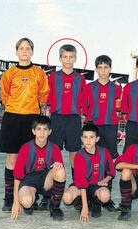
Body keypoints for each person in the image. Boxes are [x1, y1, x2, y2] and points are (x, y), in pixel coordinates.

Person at [0, 37, 50, 212]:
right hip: (12, 118)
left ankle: (30, 195)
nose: (25, 51)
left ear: (32, 52)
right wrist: (16, 107)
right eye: (21, 48)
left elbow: (44, 94)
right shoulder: (9, 73)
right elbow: (5, 95)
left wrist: (33, 109)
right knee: (12, 159)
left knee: (30, 159)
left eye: (28, 48)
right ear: (17, 51)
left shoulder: (39, 72)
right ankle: (8, 198)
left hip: (32, 119)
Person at [83, 55, 122, 212]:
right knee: (92, 162)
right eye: (100, 67)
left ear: (111, 69)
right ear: (96, 69)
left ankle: (107, 199)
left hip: (110, 128)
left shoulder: (117, 89)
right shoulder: (89, 87)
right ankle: (93, 199)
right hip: (93, 127)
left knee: (108, 162)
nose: (103, 70)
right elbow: (84, 109)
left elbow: (120, 109)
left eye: (106, 67)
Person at [11, 116, 66, 221]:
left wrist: (57, 166)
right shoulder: (25, 148)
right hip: (29, 180)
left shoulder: (54, 148)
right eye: (39, 129)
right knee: (26, 202)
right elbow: (17, 177)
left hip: (46, 180)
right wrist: (16, 202)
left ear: (50, 132)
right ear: (33, 131)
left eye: (45, 129)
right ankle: (32, 199)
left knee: (60, 171)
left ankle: (55, 207)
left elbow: (60, 171)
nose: (42, 133)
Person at [47, 44, 86, 183]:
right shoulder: (53, 77)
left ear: (75, 58)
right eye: (65, 57)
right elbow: (49, 97)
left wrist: (83, 115)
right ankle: (49, 191)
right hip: (56, 118)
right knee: (53, 153)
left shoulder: (80, 79)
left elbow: (83, 99)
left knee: (74, 155)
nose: (68, 60)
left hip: (74, 119)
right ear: (60, 58)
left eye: (71, 57)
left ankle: (76, 187)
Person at [62, 124, 115, 223]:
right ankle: (83, 203)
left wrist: (105, 180)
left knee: (105, 196)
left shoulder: (104, 152)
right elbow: (81, 183)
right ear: (81, 139)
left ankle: (96, 203)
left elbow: (111, 171)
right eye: (85, 137)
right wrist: (85, 209)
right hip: (81, 187)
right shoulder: (79, 156)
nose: (88, 140)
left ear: (97, 138)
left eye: (91, 137)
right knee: (67, 198)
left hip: (97, 186)